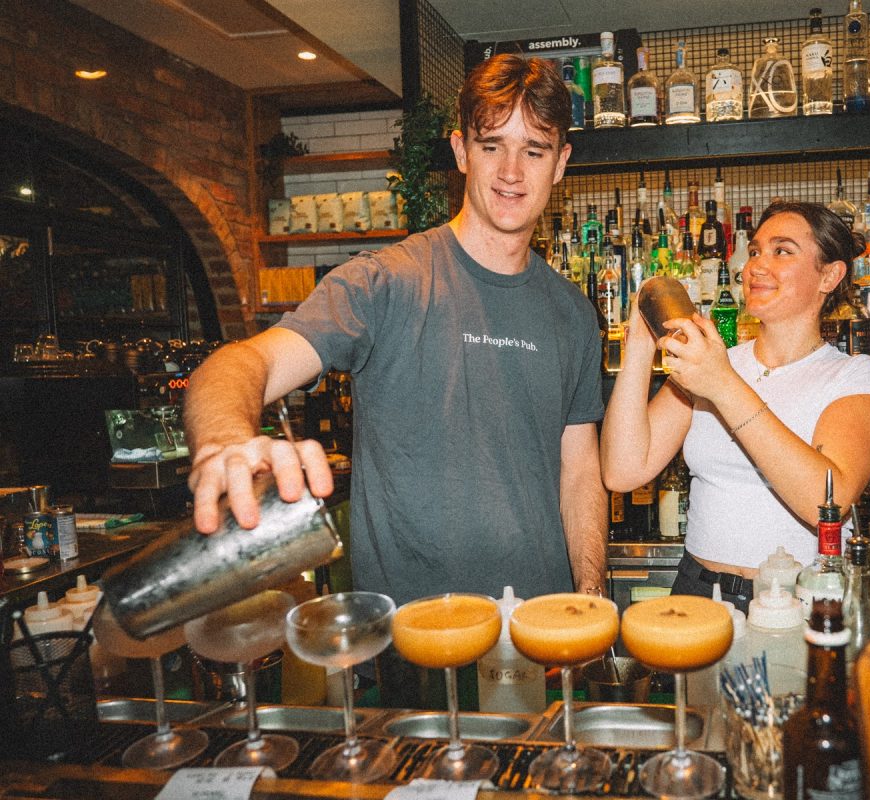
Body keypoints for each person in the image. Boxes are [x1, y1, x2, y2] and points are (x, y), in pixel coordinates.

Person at [184, 55, 608, 702]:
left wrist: (590, 593)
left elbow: (580, 471)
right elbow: (244, 362)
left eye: (535, 149)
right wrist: (223, 439)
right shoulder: (383, 283)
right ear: (461, 150)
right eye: (493, 145)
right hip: (413, 637)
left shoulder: (573, 315)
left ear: (562, 161)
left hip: (536, 633)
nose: (513, 173)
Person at [601, 201, 870, 613]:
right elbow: (622, 470)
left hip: (796, 601)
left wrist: (722, 385)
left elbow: (825, 503)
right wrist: (638, 349)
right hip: (699, 592)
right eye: (755, 251)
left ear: (829, 274)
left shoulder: (855, 376)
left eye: (782, 251)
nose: (756, 265)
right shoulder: (718, 362)